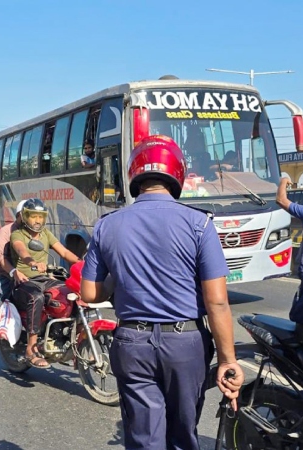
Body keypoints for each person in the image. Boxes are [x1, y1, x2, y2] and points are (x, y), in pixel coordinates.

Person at [81, 136, 243, 450]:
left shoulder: (107, 225)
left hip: (132, 344)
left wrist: (121, 274)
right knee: (183, 435)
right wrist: (227, 360)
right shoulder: (199, 224)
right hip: (185, 344)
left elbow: (89, 292)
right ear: (177, 174)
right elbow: (217, 301)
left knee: (144, 439)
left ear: (134, 176)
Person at [10, 198, 80, 369]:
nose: (37, 221)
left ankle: (73, 339)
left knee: (72, 292)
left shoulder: (46, 234)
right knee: (36, 297)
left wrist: (80, 263)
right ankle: (31, 347)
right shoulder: (18, 234)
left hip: (44, 278)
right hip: (24, 281)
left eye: (40, 217)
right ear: (25, 217)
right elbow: (21, 250)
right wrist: (31, 262)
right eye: (33, 216)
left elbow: (64, 252)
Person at [0, 200, 27, 349]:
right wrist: (14, 272)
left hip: (31, 274)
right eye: (28, 215)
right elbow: (0, 258)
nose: (33, 220)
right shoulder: (5, 232)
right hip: (6, 273)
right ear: (19, 216)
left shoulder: (38, 233)